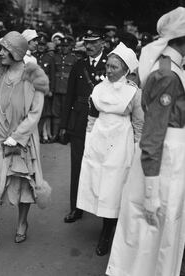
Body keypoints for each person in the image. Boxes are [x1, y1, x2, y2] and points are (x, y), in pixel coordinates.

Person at [107, 7, 185, 276]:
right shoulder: (167, 74)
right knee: (152, 235)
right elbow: (153, 136)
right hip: (163, 163)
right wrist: (151, 192)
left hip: (169, 159)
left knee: (156, 237)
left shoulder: (170, 68)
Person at [0, 31, 51, 256]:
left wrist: (17, 137)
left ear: (17, 53)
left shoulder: (34, 78)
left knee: (24, 183)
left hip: (23, 140)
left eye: (4, 50)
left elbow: (35, 113)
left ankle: (22, 222)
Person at [76, 42, 143, 256]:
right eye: (108, 66)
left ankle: (107, 232)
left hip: (120, 142)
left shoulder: (133, 93)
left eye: (115, 67)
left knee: (114, 186)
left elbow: (139, 125)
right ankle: (105, 224)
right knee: (98, 181)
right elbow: (92, 116)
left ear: (126, 69)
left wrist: (136, 151)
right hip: (99, 139)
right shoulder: (98, 88)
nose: (109, 71)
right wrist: (89, 139)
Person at [59, 29, 107, 223]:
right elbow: (69, 95)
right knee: (78, 166)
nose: (89, 46)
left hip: (103, 123)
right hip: (79, 122)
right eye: (86, 42)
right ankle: (76, 208)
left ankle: (102, 208)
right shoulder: (79, 65)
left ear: (102, 42)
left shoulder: (110, 64)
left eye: (93, 42)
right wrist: (64, 124)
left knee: (102, 167)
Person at [51, 36, 77, 142]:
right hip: (57, 89)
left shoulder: (74, 59)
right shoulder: (55, 57)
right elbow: (53, 74)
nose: (64, 48)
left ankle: (64, 136)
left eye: (66, 46)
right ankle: (55, 134)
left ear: (70, 47)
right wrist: (52, 88)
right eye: (62, 46)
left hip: (68, 90)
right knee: (56, 113)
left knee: (66, 113)